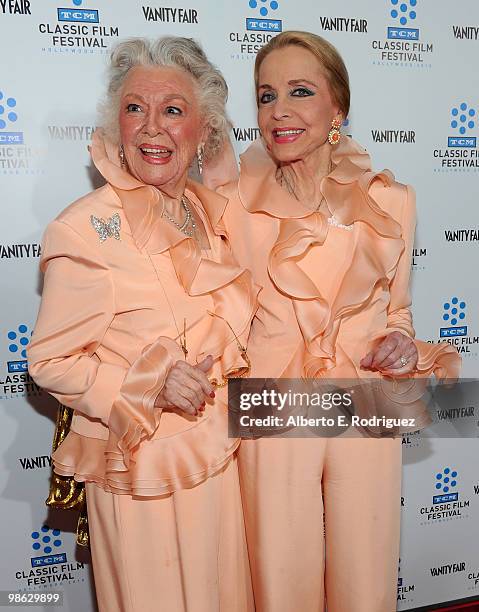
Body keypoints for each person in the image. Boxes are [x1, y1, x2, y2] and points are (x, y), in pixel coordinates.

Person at [219, 31, 461, 612]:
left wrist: (400, 345)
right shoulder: (232, 204)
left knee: (366, 576)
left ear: (338, 108)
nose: (279, 112)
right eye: (266, 95)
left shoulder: (393, 201)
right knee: (279, 580)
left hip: (364, 403)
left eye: (300, 92)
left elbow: (396, 311)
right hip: (273, 411)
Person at [28, 37, 258, 612]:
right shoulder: (86, 228)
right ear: (117, 124)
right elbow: (50, 361)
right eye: (135, 108)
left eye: (172, 110)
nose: (151, 127)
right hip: (141, 471)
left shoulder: (215, 214)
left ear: (204, 132)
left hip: (219, 459)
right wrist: (147, 384)